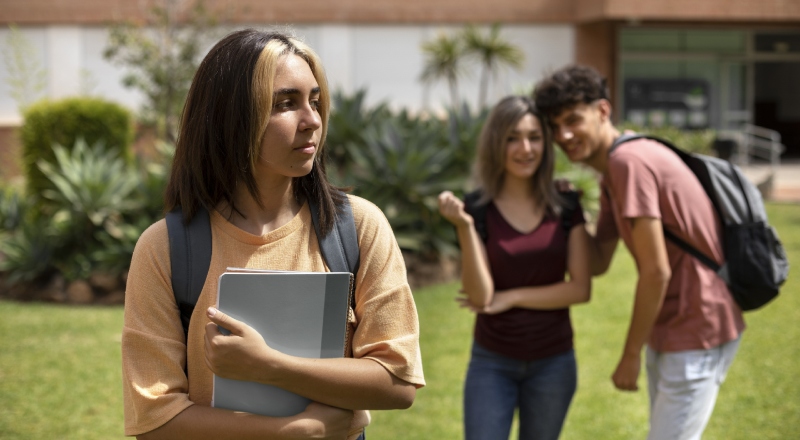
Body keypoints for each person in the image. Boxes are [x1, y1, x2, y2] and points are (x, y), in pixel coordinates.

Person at [121, 29, 425, 440]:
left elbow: (398, 380)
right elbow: (154, 420)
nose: (312, 120)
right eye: (285, 103)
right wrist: (291, 432)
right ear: (231, 118)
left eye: (314, 101)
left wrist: (269, 365)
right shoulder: (165, 249)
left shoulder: (357, 226)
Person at [533, 65, 745, 440]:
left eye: (573, 120)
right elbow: (598, 262)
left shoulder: (627, 163)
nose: (563, 135)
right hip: (672, 326)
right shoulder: (615, 167)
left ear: (602, 110)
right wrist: (572, 214)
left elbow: (656, 271)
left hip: (697, 325)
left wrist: (630, 354)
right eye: (554, 126)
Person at [437, 95, 591, 440]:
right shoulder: (476, 208)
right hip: (492, 361)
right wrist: (464, 226)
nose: (526, 149)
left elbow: (580, 289)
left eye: (534, 137)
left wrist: (513, 297)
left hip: (554, 362)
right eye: (512, 138)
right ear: (496, 143)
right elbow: (481, 297)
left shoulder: (567, 203)